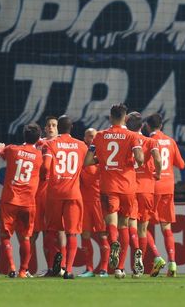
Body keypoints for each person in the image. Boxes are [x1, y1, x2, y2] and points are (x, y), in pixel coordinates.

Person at [84, 103, 144, 279]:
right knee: (124, 225)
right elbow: (140, 158)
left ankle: (114, 243)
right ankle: (120, 268)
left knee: (111, 223)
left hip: (108, 187)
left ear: (110, 117)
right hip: (127, 187)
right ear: (125, 118)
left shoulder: (100, 136)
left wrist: (101, 160)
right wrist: (135, 164)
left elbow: (87, 161)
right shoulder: (132, 136)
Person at [0, 123, 45, 278]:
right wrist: (39, 142)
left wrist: (0, 146)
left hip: (10, 200)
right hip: (28, 202)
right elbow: (43, 145)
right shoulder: (39, 156)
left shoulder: (12, 150)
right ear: (37, 138)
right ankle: (23, 270)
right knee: (26, 237)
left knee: (5, 236)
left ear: (24, 136)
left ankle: (11, 268)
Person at [44, 115, 88, 279]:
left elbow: (45, 167)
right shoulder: (81, 145)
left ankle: (56, 257)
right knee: (71, 234)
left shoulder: (50, 144)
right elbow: (88, 162)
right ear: (71, 128)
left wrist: (44, 177)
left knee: (51, 231)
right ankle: (68, 270)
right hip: (73, 194)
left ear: (58, 127)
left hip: (54, 193)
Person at [144, 112, 185, 277]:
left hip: (153, 187)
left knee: (142, 225)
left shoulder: (148, 142)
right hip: (169, 188)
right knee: (166, 227)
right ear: (161, 126)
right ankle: (173, 263)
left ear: (148, 126)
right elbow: (181, 164)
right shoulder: (170, 141)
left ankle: (157, 257)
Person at [126, 111, 162, 278]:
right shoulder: (151, 141)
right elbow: (158, 160)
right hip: (148, 189)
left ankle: (136, 263)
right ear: (142, 126)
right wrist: (158, 174)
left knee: (131, 225)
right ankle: (139, 265)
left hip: (131, 187)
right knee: (143, 228)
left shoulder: (127, 140)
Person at [77, 128, 111, 278]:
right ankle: (89, 268)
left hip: (99, 202)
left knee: (103, 235)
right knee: (85, 235)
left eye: (94, 136)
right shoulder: (80, 157)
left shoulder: (104, 157)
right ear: (85, 138)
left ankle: (104, 269)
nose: (92, 139)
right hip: (84, 202)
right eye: (89, 136)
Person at [33, 116, 59, 276]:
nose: (51, 127)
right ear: (44, 128)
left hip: (57, 190)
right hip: (40, 192)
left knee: (59, 232)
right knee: (42, 231)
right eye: (48, 125)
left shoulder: (62, 145)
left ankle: (61, 266)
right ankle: (50, 267)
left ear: (58, 128)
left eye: (54, 125)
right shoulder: (38, 145)